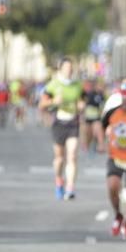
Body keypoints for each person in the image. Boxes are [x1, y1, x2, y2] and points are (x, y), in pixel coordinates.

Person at [38, 58, 84, 200]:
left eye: (71, 68)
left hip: (73, 122)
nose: (69, 70)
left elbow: (82, 101)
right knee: (59, 159)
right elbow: (41, 104)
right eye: (66, 68)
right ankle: (59, 180)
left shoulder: (77, 86)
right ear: (61, 69)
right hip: (59, 122)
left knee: (72, 156)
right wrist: (53, 102)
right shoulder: (53, 85)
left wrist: (81, 106)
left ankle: (70, 187)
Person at [103, 80, 126, 240]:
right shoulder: (112, 112)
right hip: (115, 155)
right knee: (113, 186)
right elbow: (102, 125)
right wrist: (102, 139)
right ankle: (118, 214)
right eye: (124, 94)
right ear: (120, 95)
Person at [81, 79, 106, 153]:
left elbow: (102, 105)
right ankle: (86, 144)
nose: (101, 87)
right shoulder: (88, 93)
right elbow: (83, 104)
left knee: (98, 130)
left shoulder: (101, 95)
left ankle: (101, 146)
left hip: (96, 117)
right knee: (88, 133)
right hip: (87, 117)